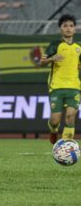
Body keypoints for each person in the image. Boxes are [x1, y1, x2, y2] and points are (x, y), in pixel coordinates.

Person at [40, 14, 81, 144]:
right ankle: (53, 130)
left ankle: (66, 147)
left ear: (74, 29)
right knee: (55, 121)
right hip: (56, 87)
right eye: (65, 26)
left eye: (71, 26)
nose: (68, 28)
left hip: (74, 87)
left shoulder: (79, 48)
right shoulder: (55, 45)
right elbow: (42, 62)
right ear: (60, 29)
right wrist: (52, 58)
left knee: (70, 117)